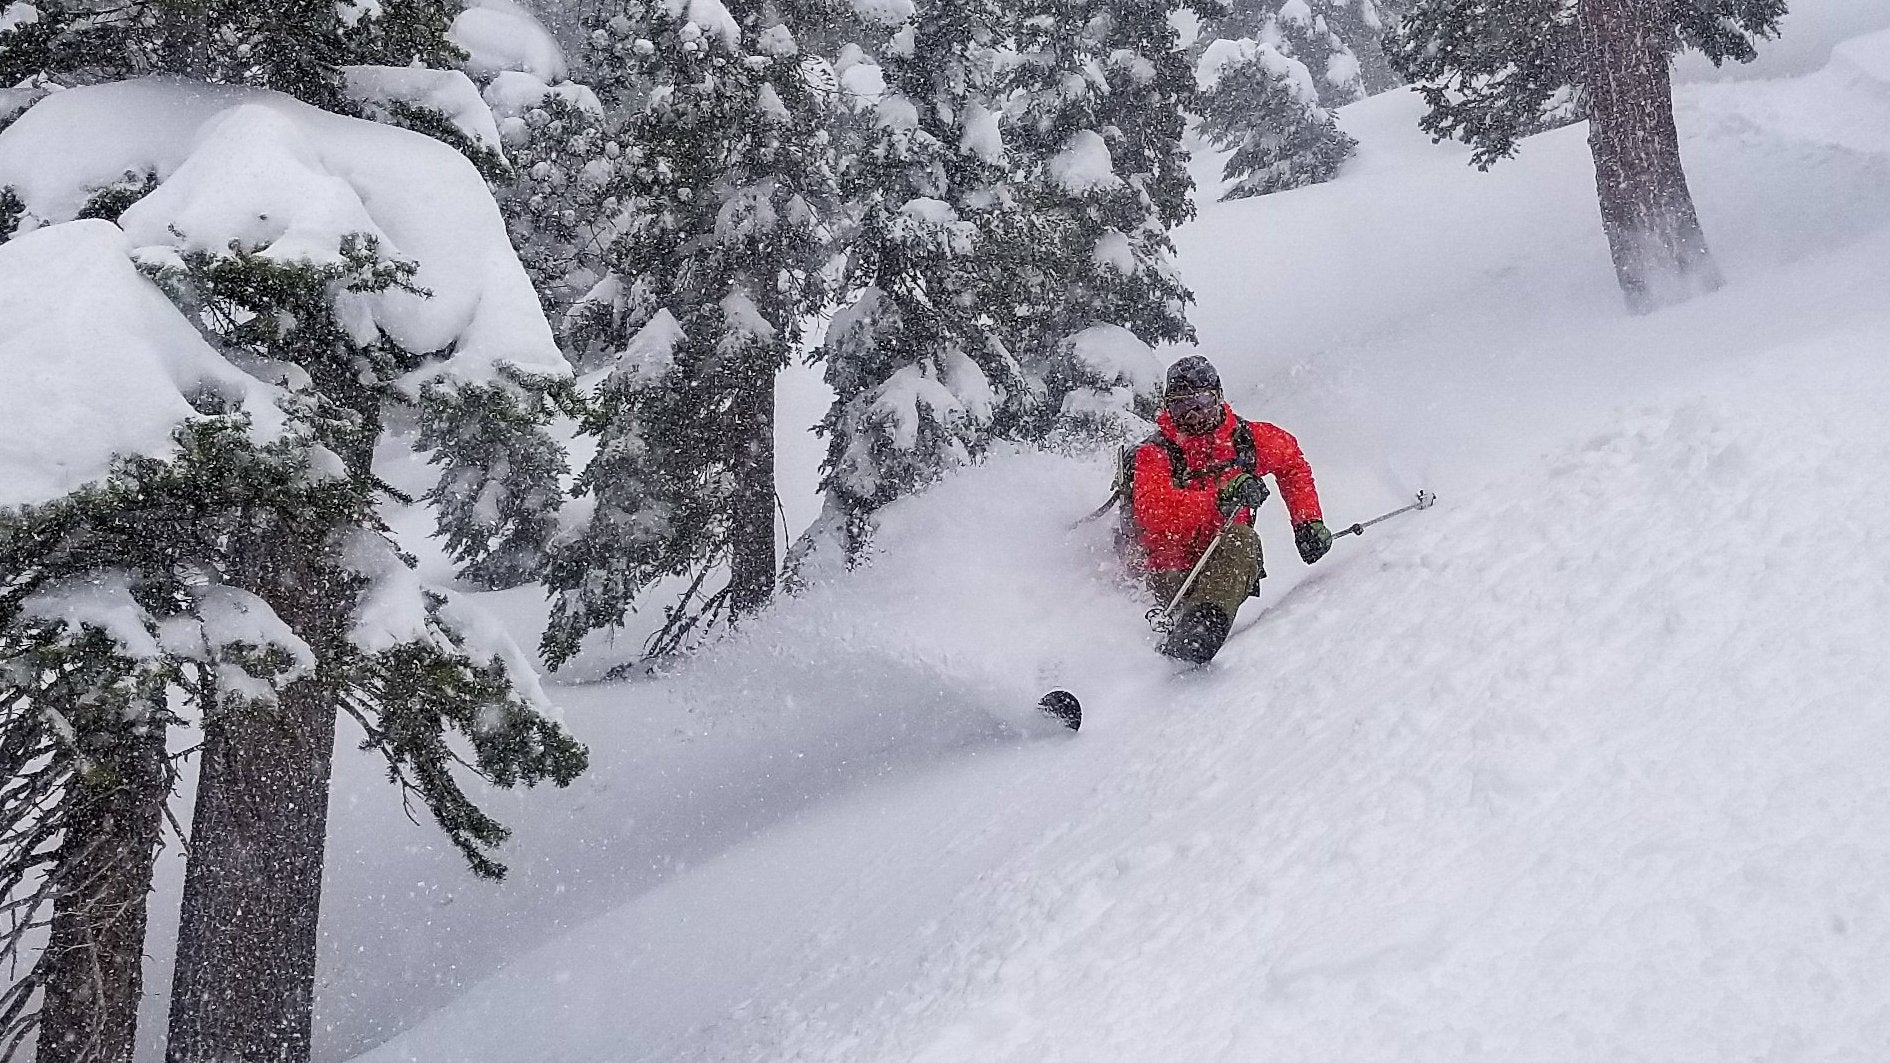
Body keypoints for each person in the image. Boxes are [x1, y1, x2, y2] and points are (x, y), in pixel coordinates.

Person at [1125, 355, 1332, 662]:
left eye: (1202, 403)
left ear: (1218, 398)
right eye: (1181, 405)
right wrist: (1219, 497)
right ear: (1168, 407)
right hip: (1166, 573)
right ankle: (1176, 640)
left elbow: (1291, 463)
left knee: (1241, 540)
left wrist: (1307, 521)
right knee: (1236, 540)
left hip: (1222, 566)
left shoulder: (1244, 441)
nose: (1193, 415)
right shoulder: (1155, 454)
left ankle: (1198, 632)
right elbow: (1154, 513)